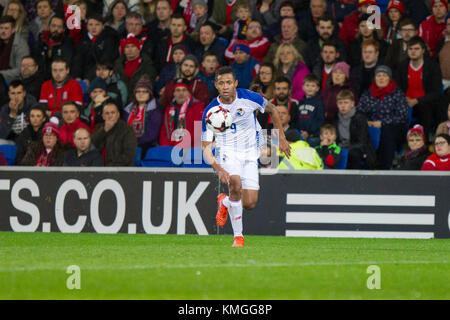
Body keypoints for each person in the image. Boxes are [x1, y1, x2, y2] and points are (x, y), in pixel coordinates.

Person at [201, 66, 291, 247]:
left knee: (249, 203)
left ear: (235, 83)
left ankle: (225, 202)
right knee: (235, 183)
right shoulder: (211, 111)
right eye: (221, 83)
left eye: (228, 82)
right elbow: (205, 147)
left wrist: (281, 136)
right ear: (216, 85)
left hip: (250, 152)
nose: (225, 86)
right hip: (227, 151)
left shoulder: (249, 97)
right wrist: (218, 169)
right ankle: (238, 237)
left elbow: (273, 110)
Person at [358, 65, 409, 169]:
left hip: (393, 127)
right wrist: (368, 122)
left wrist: (382, 123)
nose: (381, 78)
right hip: (371, 124)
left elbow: (402, 115)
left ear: (389, 78)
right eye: (378, 75)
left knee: (387, 130)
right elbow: (360, 111)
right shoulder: (368, 93)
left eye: (384, 75)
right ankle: (367, 163)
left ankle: (385, 166)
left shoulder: (397, 93)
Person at [395, 36, 443, 140]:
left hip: (425, 102)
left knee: (426, 109)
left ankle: (423, 143)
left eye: (416, 49)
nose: (413, 52)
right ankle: (400, 143)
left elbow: (436, 92)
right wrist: (404, 99)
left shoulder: (432, 67)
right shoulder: (402, 66)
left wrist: (417, 100)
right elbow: (397, 87)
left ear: (423, 50)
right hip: (405, 101)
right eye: (410, 49)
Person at [334, 89, 376, 169]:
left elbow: (362, 142)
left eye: (346, 102)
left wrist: (345, 148)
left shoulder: (360, 118)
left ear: (352, 104)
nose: (343, 106)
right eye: (340, 103)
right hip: (341, 147)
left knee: (352, 154)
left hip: (359, 149)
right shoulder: (335, 119)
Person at [72, 14, 120, 83]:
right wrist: (77, 77)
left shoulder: (109, 40)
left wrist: (88, 78)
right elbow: (77, 61)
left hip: (101, 78)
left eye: (97, 25)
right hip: (83, 79)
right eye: (91, 25)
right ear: (87, 26)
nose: (93, 28)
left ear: (103, 26)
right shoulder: (82, 40)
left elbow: (105, 60)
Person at [159, 78, 205, 148]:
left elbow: (198, 132)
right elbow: (164, 132)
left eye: (184, 90)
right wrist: (166, 148)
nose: (181, 93)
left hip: (191, 148)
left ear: (189, 92)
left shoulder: (197, 107)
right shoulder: (169, 109)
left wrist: (180, 145)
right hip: (170, 148)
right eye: (178, 90)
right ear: (173, 93)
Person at [123, 75, 162, 156]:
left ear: (150, 93)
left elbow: (152, 134)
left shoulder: (155, 110)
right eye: (138, 91)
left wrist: (133, 142)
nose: (141, 94)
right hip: (127, 146)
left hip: (148, 147)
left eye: (144, 91)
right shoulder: (128, 109)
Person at [91, 101, 137, 166]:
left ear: (118, 115)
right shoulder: (98, 127)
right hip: (98, 166)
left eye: (113, 112)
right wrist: (104, 130)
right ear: (103, 116)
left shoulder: (127, 129)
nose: (110, 116)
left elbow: (128, 155)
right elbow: (91, 145)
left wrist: (111, 167)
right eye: (107, 113)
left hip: (119, 168)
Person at [114, 33, 157, 97]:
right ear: (124, 50)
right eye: (127, 47)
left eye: (133, 46)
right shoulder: (118, 64)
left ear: (138, 49)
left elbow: (148, 84)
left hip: (139, 97)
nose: (130, 49)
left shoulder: (147, 64)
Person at [32, 15, 74, 80]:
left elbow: (66, 63)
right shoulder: (41, 41)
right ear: (49, 27)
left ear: (63, 29)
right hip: (40, 78)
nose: (56, 29)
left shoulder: (67, 43)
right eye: (53, 26)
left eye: (59, 27)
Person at [295, 74, 325, 147]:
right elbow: (297, 119)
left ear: (317, 88)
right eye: (307, 85)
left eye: (313, 86)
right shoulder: (300, 102)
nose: (310, 88)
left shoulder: (319, 103)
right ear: (303, 87)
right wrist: (301, 132)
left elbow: (320, 121)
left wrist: (309, 133)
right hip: (301, 134)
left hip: (313, 136)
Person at [0, 15, 29, 82]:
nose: (3, 31)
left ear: (13, 30)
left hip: (14, 81)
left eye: (6, 28)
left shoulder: (21, 45)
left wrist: (0, 74)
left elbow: (20, 70)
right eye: (1, 28)